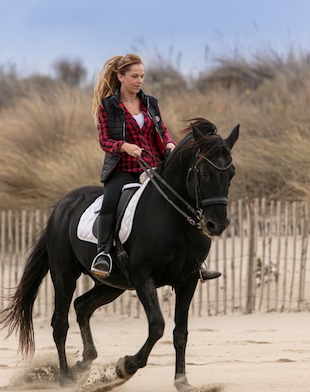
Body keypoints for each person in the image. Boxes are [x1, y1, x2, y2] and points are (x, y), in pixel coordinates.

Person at [89, 53, 221, 281]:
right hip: (122, 168)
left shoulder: (151, 103)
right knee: (110, 201)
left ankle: (196, 261)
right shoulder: (107, 107)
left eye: (142, 76)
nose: (139, 81)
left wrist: (169, 142)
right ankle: (103, 254)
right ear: (120, 76)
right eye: (134, 76)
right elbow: (104, 141)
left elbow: (163, 130)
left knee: (183, 201)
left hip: (154, 166)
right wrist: (123, 146)